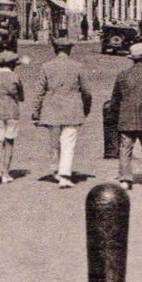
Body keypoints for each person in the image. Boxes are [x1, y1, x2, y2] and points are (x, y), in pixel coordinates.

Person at [32, 37, 91, 189]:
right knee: (68, 142)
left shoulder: (46, 66)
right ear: (69, 50)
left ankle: (55, 169)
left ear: (55, 49)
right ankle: (65, 175)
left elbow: (39, 91)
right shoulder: (78, 66)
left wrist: (35, 110)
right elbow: (86, 91)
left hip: (51, 109)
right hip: (72, 109)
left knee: (54, 142)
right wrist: (86, 107)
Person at [109, 42, 142, 190]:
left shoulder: (122, 75)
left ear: (132, 59)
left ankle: (125, 179)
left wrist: (114, 115)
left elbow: (115, 99)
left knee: (125, 149)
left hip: (126, 117)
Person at [0, 51, 24, 195]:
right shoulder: (15, 77)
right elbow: (21, 96)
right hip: (12, 112)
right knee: (9, 141)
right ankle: (6, 172)